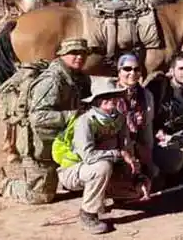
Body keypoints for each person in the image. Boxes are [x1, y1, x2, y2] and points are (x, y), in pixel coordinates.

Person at [0, 38, 90, 203]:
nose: (79, 57)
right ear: (62, 55)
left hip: (59, 141)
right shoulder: (52, 80)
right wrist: (74, 115)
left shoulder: (76, 76)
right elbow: (38, 117)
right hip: (40, 145)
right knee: (39, 196)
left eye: (82, 53)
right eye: (73, 53)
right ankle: (3, 183)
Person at [55, 83, 149, 234]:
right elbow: (88, 156)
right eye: (104, 97)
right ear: (95, 101)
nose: (109, 99)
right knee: (102, 167)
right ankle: (88, 214)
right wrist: (118, 154)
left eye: (113, 96)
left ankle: (108, 194)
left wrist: (137, 174)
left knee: (136, 190)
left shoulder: (119, 119)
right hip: (73, 170)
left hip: (104, 166)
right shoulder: (84, 121)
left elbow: (127, 149)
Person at [110, 54, 183, 181]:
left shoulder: (146, 96)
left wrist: (148, 159)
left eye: (136, 69)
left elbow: (147, 129)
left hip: (137, 144)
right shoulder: (108, 94)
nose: (132, 73)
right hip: (113, 146)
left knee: (174, 159)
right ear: (119, 72)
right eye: (127, 69)